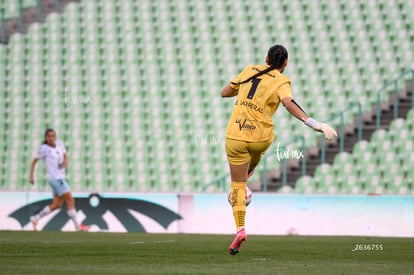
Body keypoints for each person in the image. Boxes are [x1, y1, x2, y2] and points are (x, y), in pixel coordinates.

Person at [222, 45, 337, 255]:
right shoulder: (282, 81)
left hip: (236, 135)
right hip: (260, 139)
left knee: (237, 185)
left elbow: (225, 92)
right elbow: (288, 103)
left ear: (266, 58)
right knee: (252, 157)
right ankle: (246, 181)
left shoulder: (249, 70)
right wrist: (314, 123)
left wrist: (242, 89)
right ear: (285, 64)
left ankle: (240, 227)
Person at [29, 128, 90, 232]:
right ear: (46, 137)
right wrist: (31, 176)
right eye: (49, 136)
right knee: (70, 200)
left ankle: (36, 218)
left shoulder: (59, 144)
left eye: (53, 136)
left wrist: (66, 161)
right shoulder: (44, 148)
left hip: (59, 178)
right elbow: (34, 161)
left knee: (57, 204)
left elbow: (65, 155)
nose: (51, 138)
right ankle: (78, 226)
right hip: (55, 178)